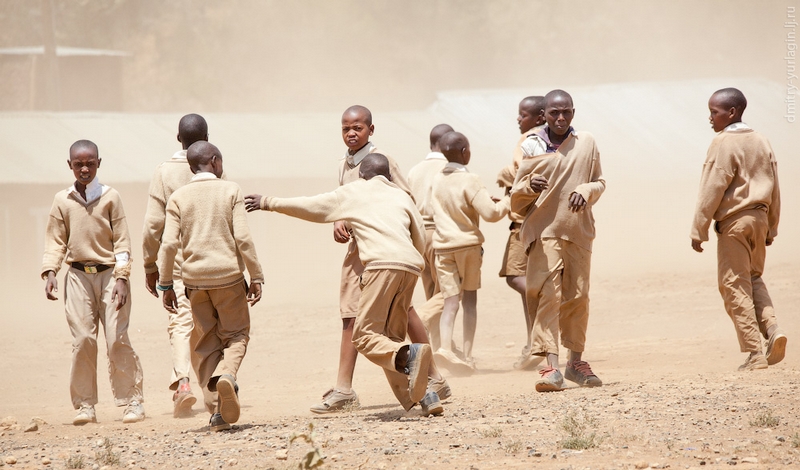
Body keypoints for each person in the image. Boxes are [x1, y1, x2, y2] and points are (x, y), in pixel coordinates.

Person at [245, 153, 443, 416]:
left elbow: (312, 206)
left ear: (361, 174)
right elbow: (418, 234)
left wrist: (268, 202)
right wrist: (411, 264)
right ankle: (427, 398)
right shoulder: (401, 196)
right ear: (389, 176)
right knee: (389, 341)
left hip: (380, 266)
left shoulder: (355, 191)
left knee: (365, 336)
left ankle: (410, 355)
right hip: (409, 268)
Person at [309, 105, 448, 414]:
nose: (351, 133)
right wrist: (338, 220)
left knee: (403, 310)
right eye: (345, 128)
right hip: (359, 249)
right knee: (351, 314)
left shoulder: (382, 161)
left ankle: (433, 377)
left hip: (384, 248)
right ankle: (345, 387)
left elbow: (405, 199)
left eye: (357, 127)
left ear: (371, 130)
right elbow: (344, 202)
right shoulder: (345, 165)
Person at [157, 141, 264, 431]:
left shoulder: (178, 197)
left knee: (204, 345)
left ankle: (217, 412)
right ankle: (227, 376)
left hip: (194, 282)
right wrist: (256, 275)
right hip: (228, 278)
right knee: (237, 335)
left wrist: (165, 284)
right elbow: (242, 238)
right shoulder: (231, 190)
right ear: (215, 162)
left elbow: (168, 245)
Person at [42, 139, 145, 425]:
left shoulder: (111, 197)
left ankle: (133, 401)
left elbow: (122, 242)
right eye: (78, 164)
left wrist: (123, 278)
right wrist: (50, 271)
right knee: (84, 340)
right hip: (76, 276)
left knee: (116, 338)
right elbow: (55, 241)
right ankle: (85, 405)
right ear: (70, 165)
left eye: (90, 163)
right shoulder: (62, 200)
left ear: (99, 163)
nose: (84, 169)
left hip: (111, 275)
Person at [511, 89, 606, 393]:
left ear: (573, 113)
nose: (560, 118)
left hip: (578, 231)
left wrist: (587, 191)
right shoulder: (531, 145)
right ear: (544, 115)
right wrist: (529, 185)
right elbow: (515, 199)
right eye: (554, 113)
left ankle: (575, 362)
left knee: (578, 297)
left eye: (566, 112)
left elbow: (600, 181)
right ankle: (550, 367)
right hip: (545, 231)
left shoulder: (586, 143)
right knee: (547, 296)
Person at [690, 87, 785, 371]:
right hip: (760, 219)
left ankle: (755, 353)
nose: (710, 118)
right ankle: (773, 330)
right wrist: (772, 226)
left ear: (731, 112)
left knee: (734, 284)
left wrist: (699, 229)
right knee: (753, 278)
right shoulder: (762, 140)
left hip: (734, 222)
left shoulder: (722, 143)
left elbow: (711, 188)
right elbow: (775, 186)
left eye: (714, 112)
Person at [141, 113, 208, 418]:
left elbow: (153, 224)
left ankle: (183, 383)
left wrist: (149, 264)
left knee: (180, 324)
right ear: (206, 137)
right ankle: (213, 387)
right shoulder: (214, 165)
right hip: (212, 261)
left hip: (179, 261)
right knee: (210, 324)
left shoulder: (164, 172)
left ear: (178, 138)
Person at [432, 131, 510, 371]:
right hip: (468, 246)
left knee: (450, 302)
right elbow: (491, 214)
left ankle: (445, 348)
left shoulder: (436, 179)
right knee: (470, 301)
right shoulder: (471, 179)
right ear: (465, 152)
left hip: (443, 248)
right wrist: (508, 199)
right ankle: (467, 355)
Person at [495, 96, 546, 369]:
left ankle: (545, 313)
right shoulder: (548, 138)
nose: (518, 119)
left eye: (522, 114)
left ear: (539, 116)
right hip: (538, 220)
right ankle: (533, 345)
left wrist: (503, 174)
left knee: (516, 277)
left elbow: (517, 171)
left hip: (522, 223)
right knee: (526, 280)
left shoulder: (529, 137)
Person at [407, 123, 454, 350]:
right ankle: (421, 317)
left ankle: (439, 346)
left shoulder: (414, 170)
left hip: (417, 236)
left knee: (431, 291)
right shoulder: (449, 168)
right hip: (441, 233)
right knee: (451, 290)